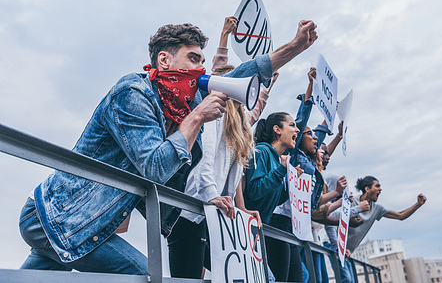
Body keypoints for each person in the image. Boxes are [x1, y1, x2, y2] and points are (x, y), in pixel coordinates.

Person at [18, 20, 318, 275]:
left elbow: (244, 73)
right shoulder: (133, 93)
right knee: (147, 277)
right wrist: (197, 118)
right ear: (164, 60)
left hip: (84, 222)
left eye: (203, 60)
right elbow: (156, 166)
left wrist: (294, 47)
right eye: (193, 58)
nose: (201, 69)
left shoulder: (180, 103)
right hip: (63, 219)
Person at [167, 64, 261, 278]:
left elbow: (233, 174)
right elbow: (204, 158)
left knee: (237, 274)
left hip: (213, 212)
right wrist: (212, 195)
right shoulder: (213, 113)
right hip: (192, 210)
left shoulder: (239, 124)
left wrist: (241, 207)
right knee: (189, 276)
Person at [331, 176, 427, 283]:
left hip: (347, 252)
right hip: (334, 244)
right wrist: (338, 246)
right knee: (346, 280)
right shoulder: (352, 201)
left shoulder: (377, 208)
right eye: (377, 186)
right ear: (367, 189)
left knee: (351, 280)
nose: (380, 189)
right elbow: (335, 220)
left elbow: (400, 216)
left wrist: (418, 205)